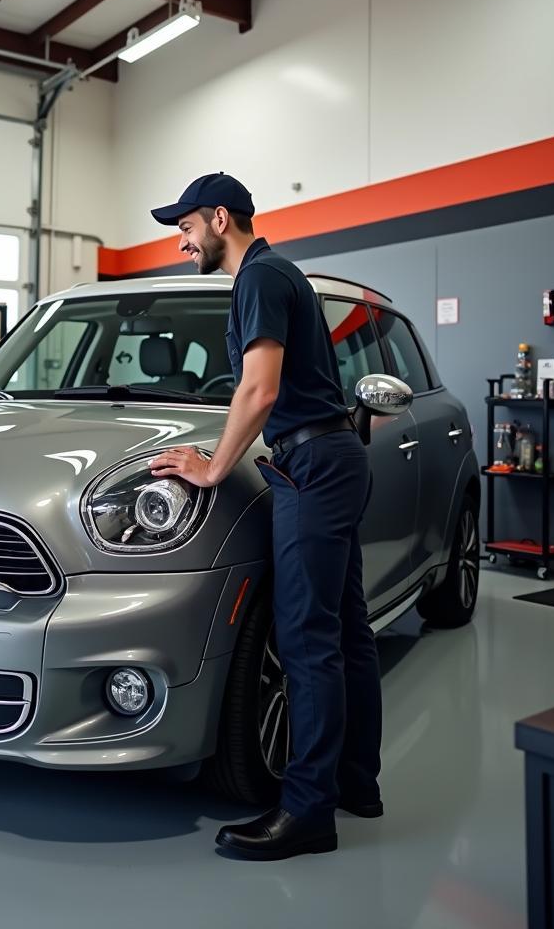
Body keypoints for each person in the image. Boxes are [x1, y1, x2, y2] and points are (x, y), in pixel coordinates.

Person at [148, 173, 381, 861]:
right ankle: (355, 783)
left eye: (186, 226)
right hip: (332, 458)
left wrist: (214, 467)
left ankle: (308, 811)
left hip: (311, 465)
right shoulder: (278, 273)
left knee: (308, 639)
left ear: (221, 218)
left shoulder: (259, 277)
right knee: (344, 628)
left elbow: (260, 386)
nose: (180, 240)